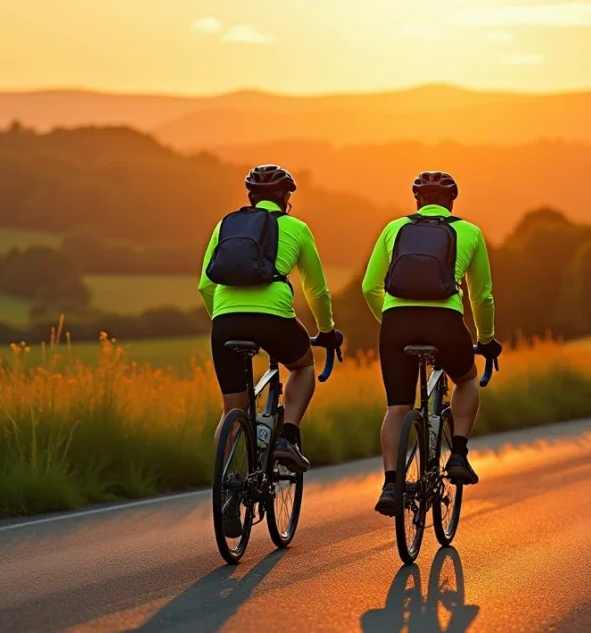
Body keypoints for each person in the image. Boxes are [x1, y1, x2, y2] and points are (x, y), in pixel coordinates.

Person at [361, 171, 501, 516]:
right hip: (445, 324)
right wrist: (486, 339)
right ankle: (458, 453)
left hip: (396, 323)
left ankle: (391, 484)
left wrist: (393, 322)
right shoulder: (469, 232)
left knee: (398, 407)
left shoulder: (393, 228)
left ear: (417, 202)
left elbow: (369, 287)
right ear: (451, 203)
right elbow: (482, 297)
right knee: (466, 379)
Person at [198, 164, 343, 487]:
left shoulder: (226, 224)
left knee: (231, 409)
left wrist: (224, 319)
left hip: (225, 321)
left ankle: (224, 490)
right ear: (286, 197)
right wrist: (327, 330)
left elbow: (205, 286)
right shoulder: (297, 228)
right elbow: (316, 289)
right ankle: (287, 436)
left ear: (250, 195)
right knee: (303, 366)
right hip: (274, 318)